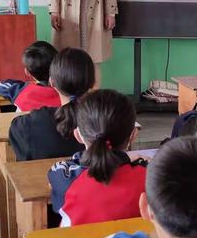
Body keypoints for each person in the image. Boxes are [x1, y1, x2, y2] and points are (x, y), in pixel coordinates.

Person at [48, 89, 146, 227]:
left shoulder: (66, 177)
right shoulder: (149, 177)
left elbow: (54, 173)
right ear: (133, 134)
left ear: (77, 135)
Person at [9, 47, 94, 161]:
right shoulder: (106, 119)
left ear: (52, 82)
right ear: (93, 83)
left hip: (41, 178)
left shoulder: (29, 124)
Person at [0, 41, 60, 111]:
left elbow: (0, 85)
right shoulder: (66, 93)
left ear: (27, 72)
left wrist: (25, 85)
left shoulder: (23, 92)